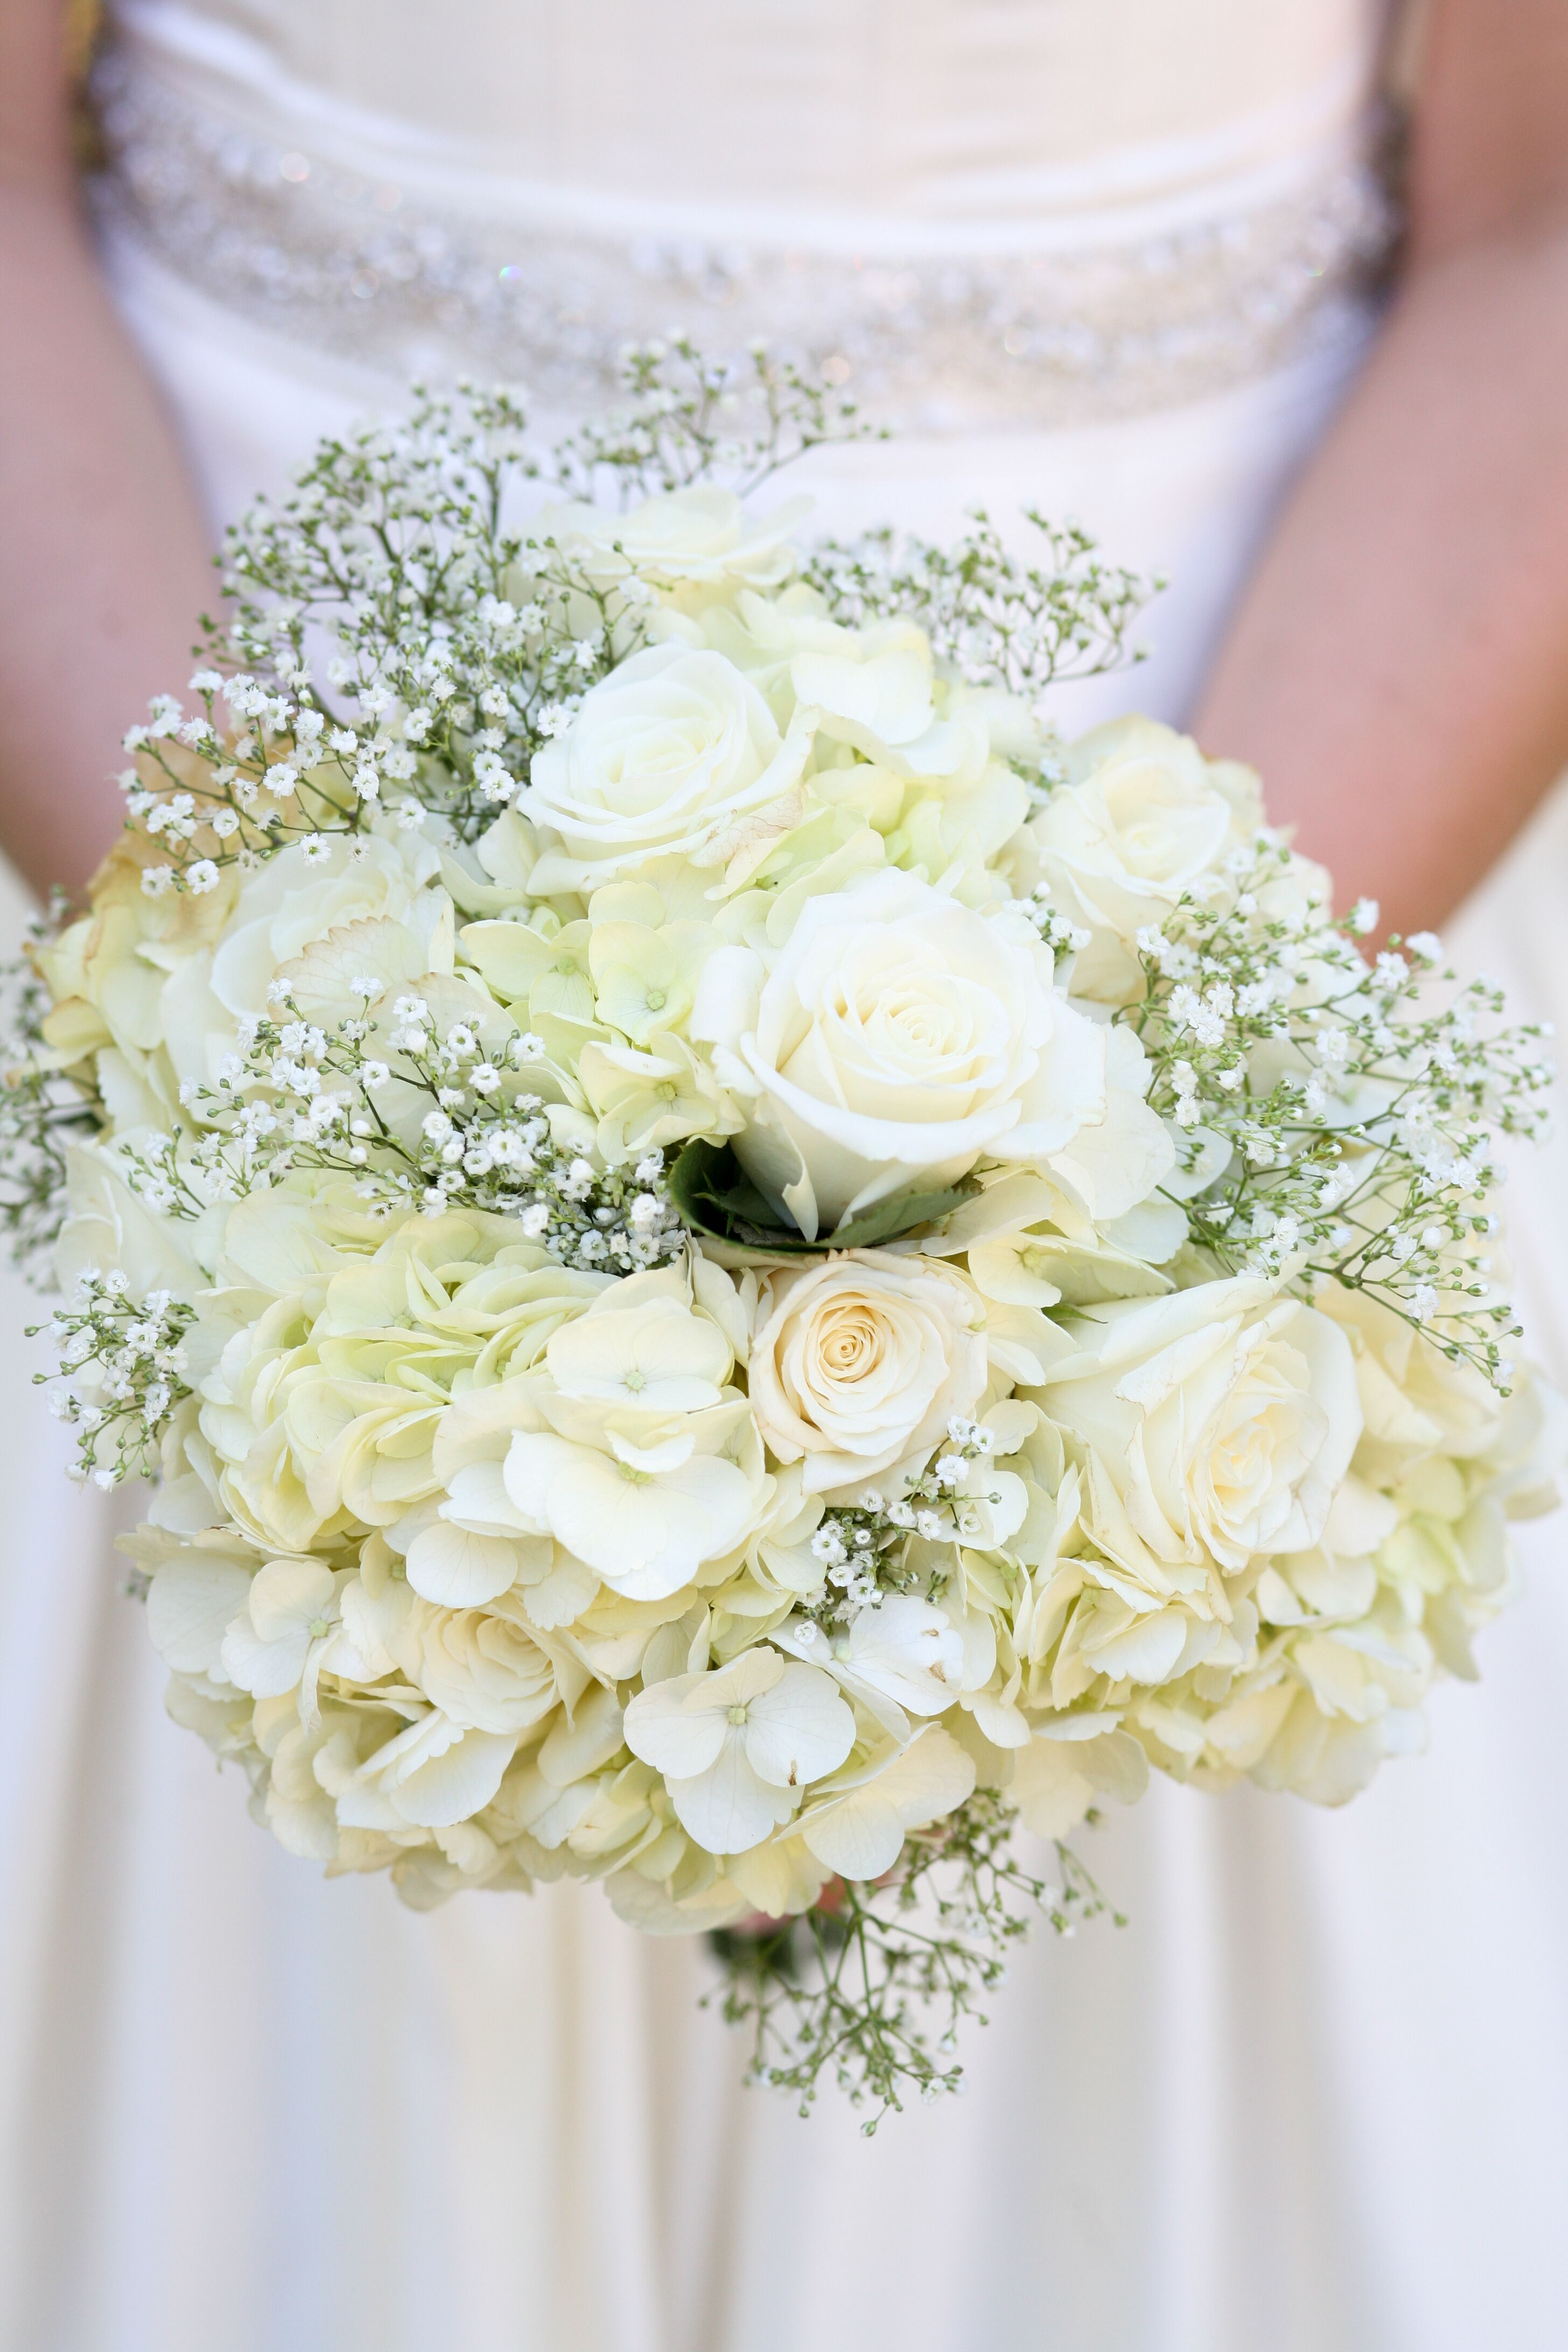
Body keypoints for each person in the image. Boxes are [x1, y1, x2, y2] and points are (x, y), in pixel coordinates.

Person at [1, 4, 1565, 2347]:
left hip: (1277, 776)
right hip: (192, 765)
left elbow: (1533, 239)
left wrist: (1089, 1275)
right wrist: (300, 1108)